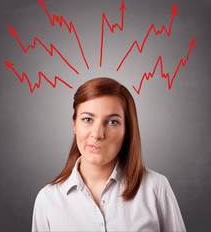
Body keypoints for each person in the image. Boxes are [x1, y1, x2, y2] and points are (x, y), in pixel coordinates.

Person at [32, 77, 186, 232]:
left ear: (127, 130)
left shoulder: (156, 188)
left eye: (112, 122)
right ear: (74, 125)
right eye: (87, 119)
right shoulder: (48, 199)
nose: (97, 134)